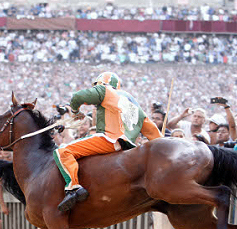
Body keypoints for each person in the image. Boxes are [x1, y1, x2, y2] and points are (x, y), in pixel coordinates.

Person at [53, 72, 162, 212]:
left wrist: (74, 111)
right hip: (128, 147)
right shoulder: (134, 103)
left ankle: (73, 188)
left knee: (62, 151)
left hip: (109, 139)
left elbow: (78, 97)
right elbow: (152, 131)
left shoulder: (105, 90)